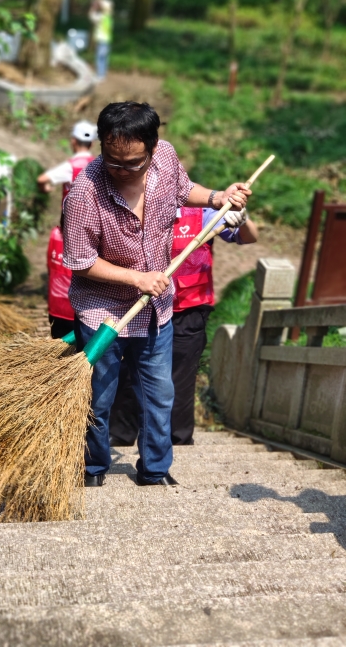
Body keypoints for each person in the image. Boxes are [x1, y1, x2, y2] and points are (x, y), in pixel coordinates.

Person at [62, 101, 250, 487]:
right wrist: (137, 278)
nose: (122, 171)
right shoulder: (83, 195)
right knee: (98, 398)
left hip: (156, 311)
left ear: (151, 147)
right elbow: (80, 262)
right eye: (113, 161)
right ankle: (93, 468)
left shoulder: (165, 157)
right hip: (103, 314)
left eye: (133, 163)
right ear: (102, 145)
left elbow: (184, 190)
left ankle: (154, 470)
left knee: (159, 394)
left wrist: (217, 197)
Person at [108, 206, 258, 449]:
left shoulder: (203, 215)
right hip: (141, 307)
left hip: (189, 309)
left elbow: (249, 236)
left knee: (181, 376)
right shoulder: (134, 209)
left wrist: (244, 218)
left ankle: (178, 440)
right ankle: (121, 435)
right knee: (129, 369)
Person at [37, 121, 98, 339]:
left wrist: (45, 188)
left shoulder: (70, 166)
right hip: (93, 232)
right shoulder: (99, 165)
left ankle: (64, 315)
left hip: (69, 230)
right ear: (92, 143)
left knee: (65, 271)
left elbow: (42, 180)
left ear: (73, 141)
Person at [88, 0, 113, 80]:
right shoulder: (108, 17)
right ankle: (102, 74)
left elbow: (92, 17)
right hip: (107, 40)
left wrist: (93, 8)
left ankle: (100, 75)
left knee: (100, 57)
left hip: (102, 40)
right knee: (104, 58)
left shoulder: (102, 17)